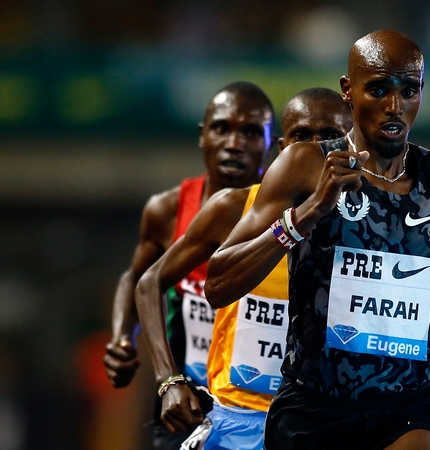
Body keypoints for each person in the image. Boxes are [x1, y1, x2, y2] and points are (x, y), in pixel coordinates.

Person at [206, 30, 430, 450]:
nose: (394, 106)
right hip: (314, 407)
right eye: (378, 89)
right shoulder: (305, 165)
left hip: (408, 404)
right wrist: (306, 216)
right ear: (348, 91)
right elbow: (218, 283)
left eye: (408, 90)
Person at [135, 88, 353, 449]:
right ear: (282, 148)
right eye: (301, 138)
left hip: (322, 423)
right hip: (238, 421)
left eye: (329, 138)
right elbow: (149, 283)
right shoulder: (235, 209)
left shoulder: (373, 225)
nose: (312, 152)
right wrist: (168, 379)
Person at [102, 81, 275, 449]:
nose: (234, 143)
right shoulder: (167, 211)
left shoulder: (290, 218)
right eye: (222, 128)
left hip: (257, 405)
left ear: (272, 145)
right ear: (202, 136)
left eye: (250, 132)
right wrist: (122, 337)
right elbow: (137, 279)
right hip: (186, 399)